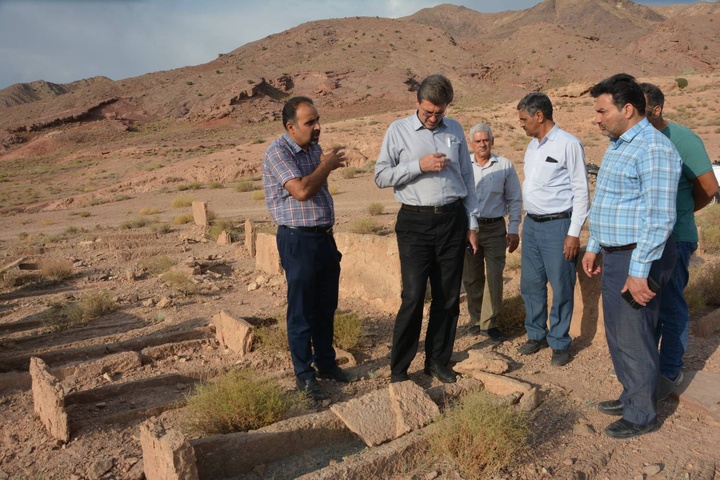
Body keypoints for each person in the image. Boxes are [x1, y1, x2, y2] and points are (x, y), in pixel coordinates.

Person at [582, 73, 681, 439]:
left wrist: (638, 271)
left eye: (601, 110)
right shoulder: (620, 144)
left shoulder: (653, 149)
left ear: (627, 109)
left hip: (640, 257)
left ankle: (642, 414)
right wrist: (594, 246)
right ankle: (631, 395)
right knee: (619, 334)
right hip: (614, 254)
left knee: (635, 335)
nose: (597, 118)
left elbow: (659, 218)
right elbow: (608, 201)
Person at [375, 74, 479, 384]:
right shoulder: (399, 131)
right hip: (414, 222)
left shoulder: (456, 129)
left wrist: (471, 224)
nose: (434, 118)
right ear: (417, 103)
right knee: (414, 295)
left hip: (452, 219)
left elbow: (468, 179)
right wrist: (418, 166)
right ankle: (399, 368)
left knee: (448, 297)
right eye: (428, 112)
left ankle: (438, 362)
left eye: (440, 112)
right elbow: (381, 176)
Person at [262, 96, 357, 401]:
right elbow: (301, 190)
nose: (317, 127)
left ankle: (326, 364)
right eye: (310, 122)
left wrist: (323, 162)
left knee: (326, 306)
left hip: (323, 238)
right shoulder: (277, 153)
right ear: (291, 127)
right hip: (298, 240)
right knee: (301, 311)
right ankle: (304, 376)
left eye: (317, 120)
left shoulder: (312, 149)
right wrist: (326, 166)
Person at [640, 82, 719, 401]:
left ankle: (670, 369)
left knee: (670, 306)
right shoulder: (636, 140)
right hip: (644, 237)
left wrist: (683, 211)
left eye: (639, 106)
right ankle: (647, 370)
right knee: (647, 306)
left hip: (675, 236)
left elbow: (710, 189)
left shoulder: (684, 140)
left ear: (657, 110)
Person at [516, 92, 590, 366]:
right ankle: (536, 335)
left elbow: (581, 191)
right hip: (532, 225)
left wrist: (574, 233)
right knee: (531, 284)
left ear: (539, 116)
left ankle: (559, 341)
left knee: (561, 286)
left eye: (524, 119)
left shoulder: (568, 144)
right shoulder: (532, 147)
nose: (521, 124)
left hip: (558, 226)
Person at [462, 123, 522, 342]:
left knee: (495, 276)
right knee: (471, 277)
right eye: (477, 141)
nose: (482, 144)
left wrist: (514, 229)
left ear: (492, 141)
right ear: (471, 143)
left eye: (485, 140)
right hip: (469, 228)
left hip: (496, 228)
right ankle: (477, 320)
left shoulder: (504, 165)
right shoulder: (463, 166)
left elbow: (515, 199)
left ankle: (490, 323)